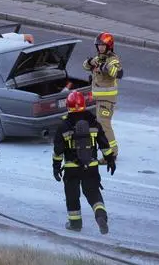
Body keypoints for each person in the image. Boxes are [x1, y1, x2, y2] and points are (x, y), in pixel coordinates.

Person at [52, 91, 116, 234]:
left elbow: (58, 151)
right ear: (84, 105)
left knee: (72, 196)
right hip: (91, 166)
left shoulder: (64, 126)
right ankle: (100, 216)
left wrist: (56, 167)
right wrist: (110, 160)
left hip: (71, 168)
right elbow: (104, 145)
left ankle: (75, 224)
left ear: (68, 106)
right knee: (93, 194)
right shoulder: (94, 123)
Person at [83, 32, 123, 164]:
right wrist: (90, 61)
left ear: (109, 46)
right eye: (98, 45)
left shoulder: (113, 59)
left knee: (104, 124)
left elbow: (118, 73)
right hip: (99, 99)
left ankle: (112, 154)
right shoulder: (98, 58)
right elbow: (85, 66)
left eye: (103, 45)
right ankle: (108, 151)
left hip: (107, 99)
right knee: (100, 125)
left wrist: (105, 66)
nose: (100, 48)